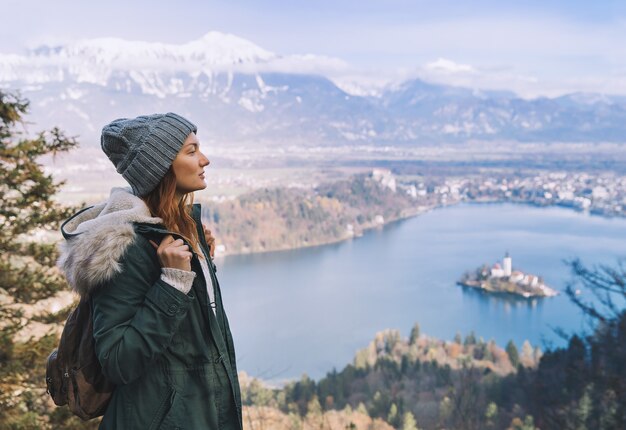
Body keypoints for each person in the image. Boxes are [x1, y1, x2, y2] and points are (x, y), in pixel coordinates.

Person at [57, 113, 242, 429]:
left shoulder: (180, 235)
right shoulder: (127, 248)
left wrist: (196, 266)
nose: (205, 160)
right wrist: (172, 284)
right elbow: (118, 361)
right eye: (192, 151)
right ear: (162, 166)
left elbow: (191, 346)